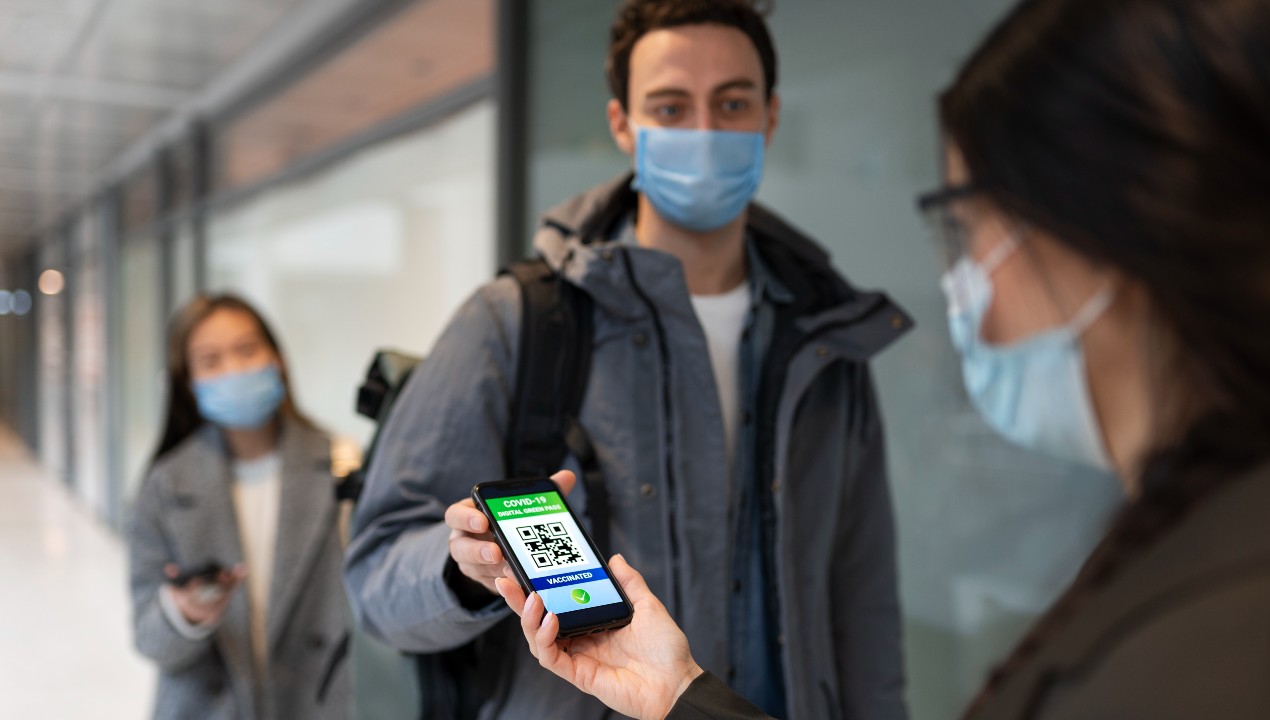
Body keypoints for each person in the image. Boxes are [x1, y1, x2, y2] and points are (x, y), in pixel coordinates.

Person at [493, 0, 1270, 718]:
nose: (959, 282)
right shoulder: (1199, 553)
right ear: (621, 123)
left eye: (967, 230)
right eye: (672, 107)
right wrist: (678, 694)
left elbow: (861, 602)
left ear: (1101, 233)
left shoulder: (1209, 632)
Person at [343, 1, 912, 718]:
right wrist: (463, 574)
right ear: (622, 125)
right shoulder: (515, 322)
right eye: (670, 107)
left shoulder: (830, 341)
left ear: (769, 118)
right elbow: (374, 576)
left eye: (730, 102)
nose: (703, 131)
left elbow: (864, 620)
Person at [127, 295, 351, 719]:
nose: (233, 370)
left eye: (247, 350)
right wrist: (185, 614)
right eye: (210, 360)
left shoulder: (343, 464)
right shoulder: (164, 485)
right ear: (188, 382)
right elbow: (147, 638)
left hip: (322, 702)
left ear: (277, 358)